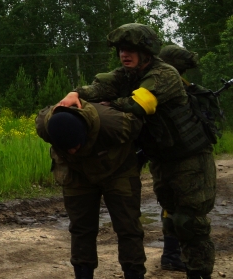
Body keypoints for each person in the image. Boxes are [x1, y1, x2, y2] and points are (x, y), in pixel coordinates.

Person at [59, 24, 217, 279]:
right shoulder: (127, 74)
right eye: (121, 50)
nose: (124, 54)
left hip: (191, 159)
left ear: (147, 52)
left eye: (131, 49)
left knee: (190, 223)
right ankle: (178, 261)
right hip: (162, 160)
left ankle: (200, 274)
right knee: (172, 219)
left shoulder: (164, 74)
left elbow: (139, 104)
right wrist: (75, 93)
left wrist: (112, 104)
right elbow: (101, 86)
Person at [36, 100, 146, 279]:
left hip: (118, 169)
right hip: (77, 172)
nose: (72, 151)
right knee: (81, 228)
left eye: (75, 146)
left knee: (128, 227)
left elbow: (142, 129)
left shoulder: (115, 123)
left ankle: (134, 274)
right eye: (67, 149)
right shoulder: (44, 125)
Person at [154, 44, 201, 272]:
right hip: (178, 156)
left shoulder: (161, 84)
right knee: (183, 206)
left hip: (163, 155)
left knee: (170, 204)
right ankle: (175, 255)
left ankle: (171, 255)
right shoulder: (172, 86)